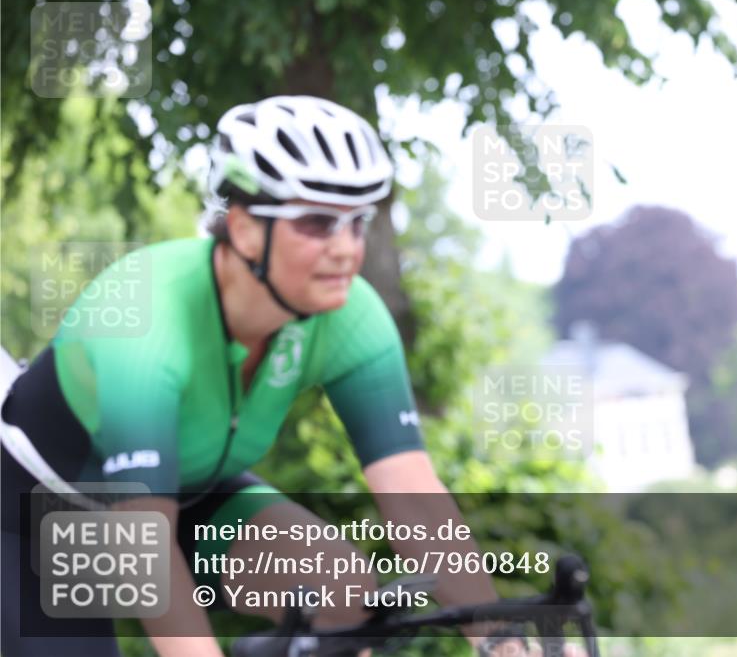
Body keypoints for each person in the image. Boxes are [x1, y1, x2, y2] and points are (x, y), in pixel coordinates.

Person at [0, 95, 537, 657]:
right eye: (317, 223)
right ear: (246, 228)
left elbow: (413, 495)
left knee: (341, 589)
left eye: (357, 223)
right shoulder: (146, 319)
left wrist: (502, 642)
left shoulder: (348, 314)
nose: (346, 250)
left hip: (187, 496)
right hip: (36, 511)